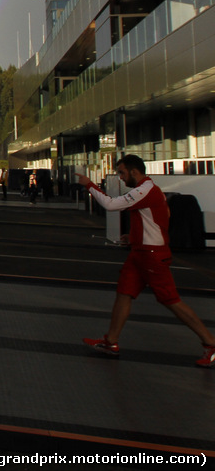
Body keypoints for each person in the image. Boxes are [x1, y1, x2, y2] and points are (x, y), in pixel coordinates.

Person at [76, 156, 215, 366]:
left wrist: (90, 185)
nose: (121, 178)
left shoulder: (144, 189)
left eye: (122, 173)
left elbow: (110, 205)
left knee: (171, 300)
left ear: (134, 172)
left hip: (151, 255)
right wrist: (133, 237)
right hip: (140, 252)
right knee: (124, 293)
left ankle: (210, 343)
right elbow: (158, 217)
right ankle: (111, 342)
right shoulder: (149, 190)